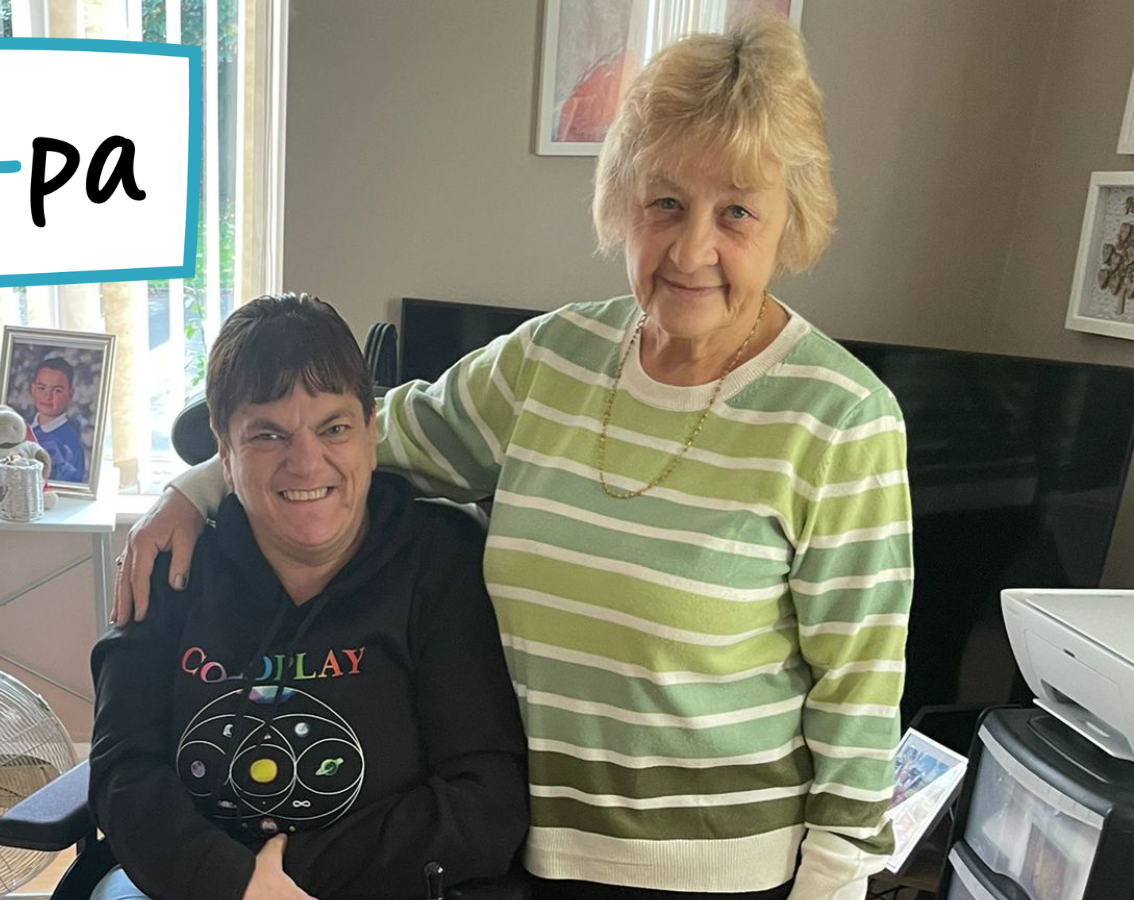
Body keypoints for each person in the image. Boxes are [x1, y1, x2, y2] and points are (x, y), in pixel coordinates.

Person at [117, 16, 912, 900]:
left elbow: (860, 693)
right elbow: (359, 437)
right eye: (666, 203)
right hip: (538, 859)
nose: (692, 249)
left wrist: (835, 885)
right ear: (624, 202)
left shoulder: (842, 419)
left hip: (726, 873)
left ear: (789, 218)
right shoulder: (552, 361)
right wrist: (198, 485)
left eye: (736, 211)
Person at [89, 294, 528, 900]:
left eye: (334, 428)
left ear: (371, 433)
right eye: (267, 434)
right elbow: (124, 775)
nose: (305, 462)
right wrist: (234, 884)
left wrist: (288, 880)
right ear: (226, 450)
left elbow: (487, 799)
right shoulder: (172, 569)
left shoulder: (438, 562)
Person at [27, 357, 88, 482]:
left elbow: (72, 483)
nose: (48, 396)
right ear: (33, 389)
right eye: (42, 388)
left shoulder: (71, 442)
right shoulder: (22, 426)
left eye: (57, 390)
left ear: (70, 394)